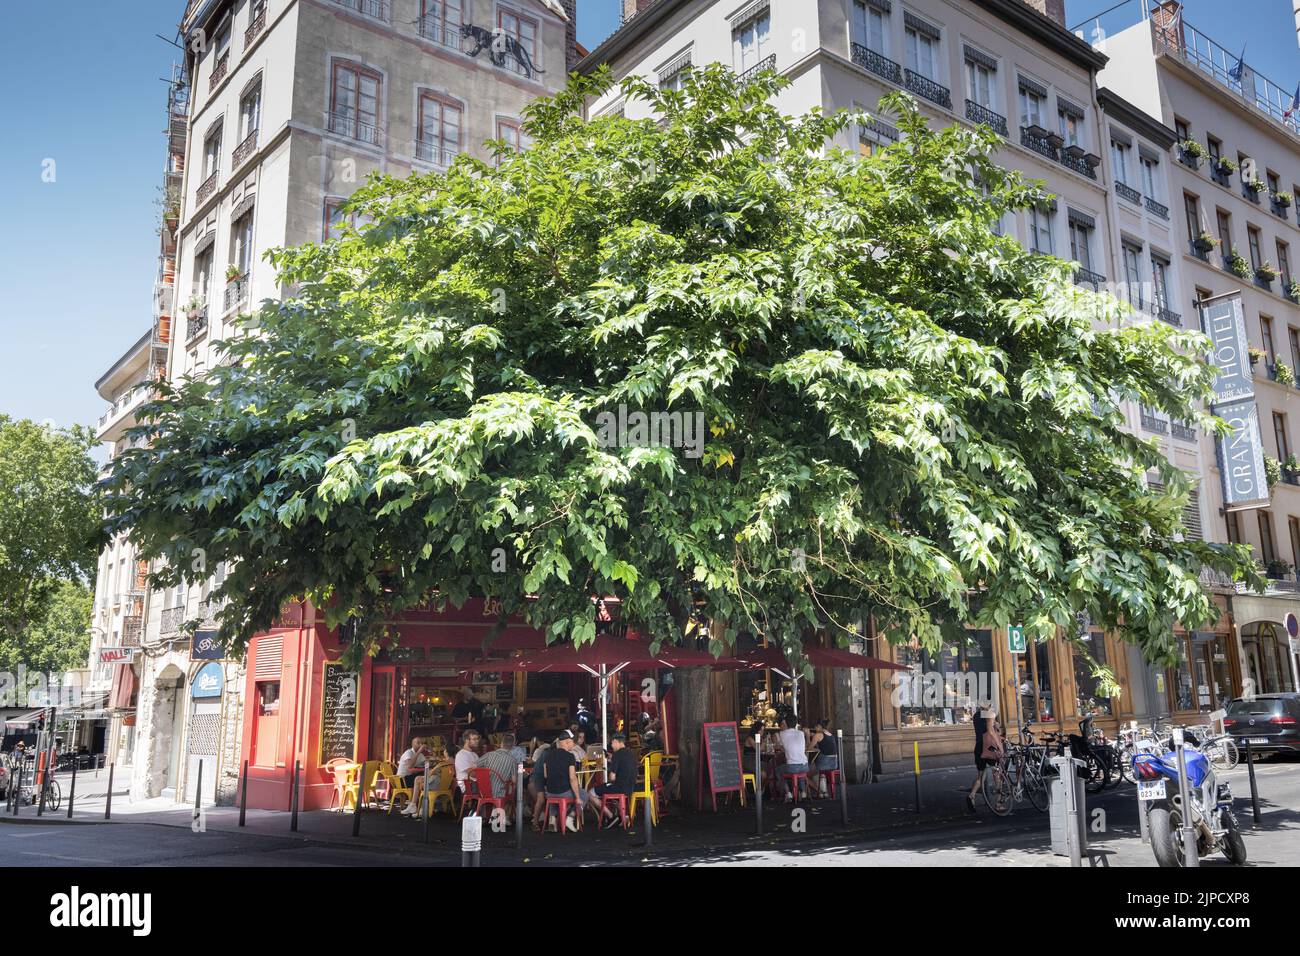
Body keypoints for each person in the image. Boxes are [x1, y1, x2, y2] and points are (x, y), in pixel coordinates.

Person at [536, 729, 585, 833]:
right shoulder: (570, 756)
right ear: (567, 742)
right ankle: (570, 818)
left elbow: (546, 775)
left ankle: (552, 819)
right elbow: (572, 778)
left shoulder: (548, 755)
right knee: (584, 794)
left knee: (555, 791)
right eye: (573, 742)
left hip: (549, 793)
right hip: (563, 793)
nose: (574, 745)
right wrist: (577, 797)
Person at [588, 733, 637, 829]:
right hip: (630, 787)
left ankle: (611, 817)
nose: (611, 745)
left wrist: (613, 763)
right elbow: (623, 766)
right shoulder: (630, 753)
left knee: (591, 793)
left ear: (616, 742)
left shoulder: (617, 755)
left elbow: (612, 778)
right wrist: (612, 760)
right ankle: (624, 816)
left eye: (612, 743)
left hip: (619, 787)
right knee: (614, 795)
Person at [967, 707, 1004, 813]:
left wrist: (995, 723)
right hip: (989, 747)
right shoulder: (989, 713)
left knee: (981, 776)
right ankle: (998, 803)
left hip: (978, 747)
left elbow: (985, 727)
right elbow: (990, 731)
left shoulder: (976, 715)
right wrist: (1000, 746)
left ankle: (972, 795)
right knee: (997, 775)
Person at [776, 716, 809, 801]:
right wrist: (808, 735)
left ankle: (788, 793)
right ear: (796, 723)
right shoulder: (801, 733)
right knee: (800, 772)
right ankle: (803, 793)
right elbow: (806, 747)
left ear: (786, 723)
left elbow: (779, 746)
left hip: (792, 767)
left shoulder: (782, 734)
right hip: (805, 765)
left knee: (778, 770)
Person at [397, 737, 429, 816]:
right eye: (418, 743)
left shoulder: (420, 754)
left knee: (424, 779)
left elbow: (427, 764)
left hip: (411, 777)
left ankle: (419, 807)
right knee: (421, 778)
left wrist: (427, 762)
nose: (420, 744)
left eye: (421, 743)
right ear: (413, 744)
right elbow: (409, 766)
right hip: (402, 779)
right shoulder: (408, 752)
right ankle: (418, 807)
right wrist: (418, 752)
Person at [809, 718, 838, 795]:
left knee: (807, 773)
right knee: (816, 770)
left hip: (823, 764)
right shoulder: (831, 735)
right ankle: (823, 790)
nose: (814, 729)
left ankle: (820, 791)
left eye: (815, 727)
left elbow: (809, 748)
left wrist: (807, 736)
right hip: (834, 764)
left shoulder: (818, 735)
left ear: (819, 726)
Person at [455, 730, 482, 795]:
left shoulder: (474, 754)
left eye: (477, 739)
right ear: (467, 740)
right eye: (474, 739)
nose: (477, 741)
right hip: (467, 785)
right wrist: (488, 775)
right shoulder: (461, 755)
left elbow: (479, 770)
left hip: (475, 783)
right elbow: (472, 774)